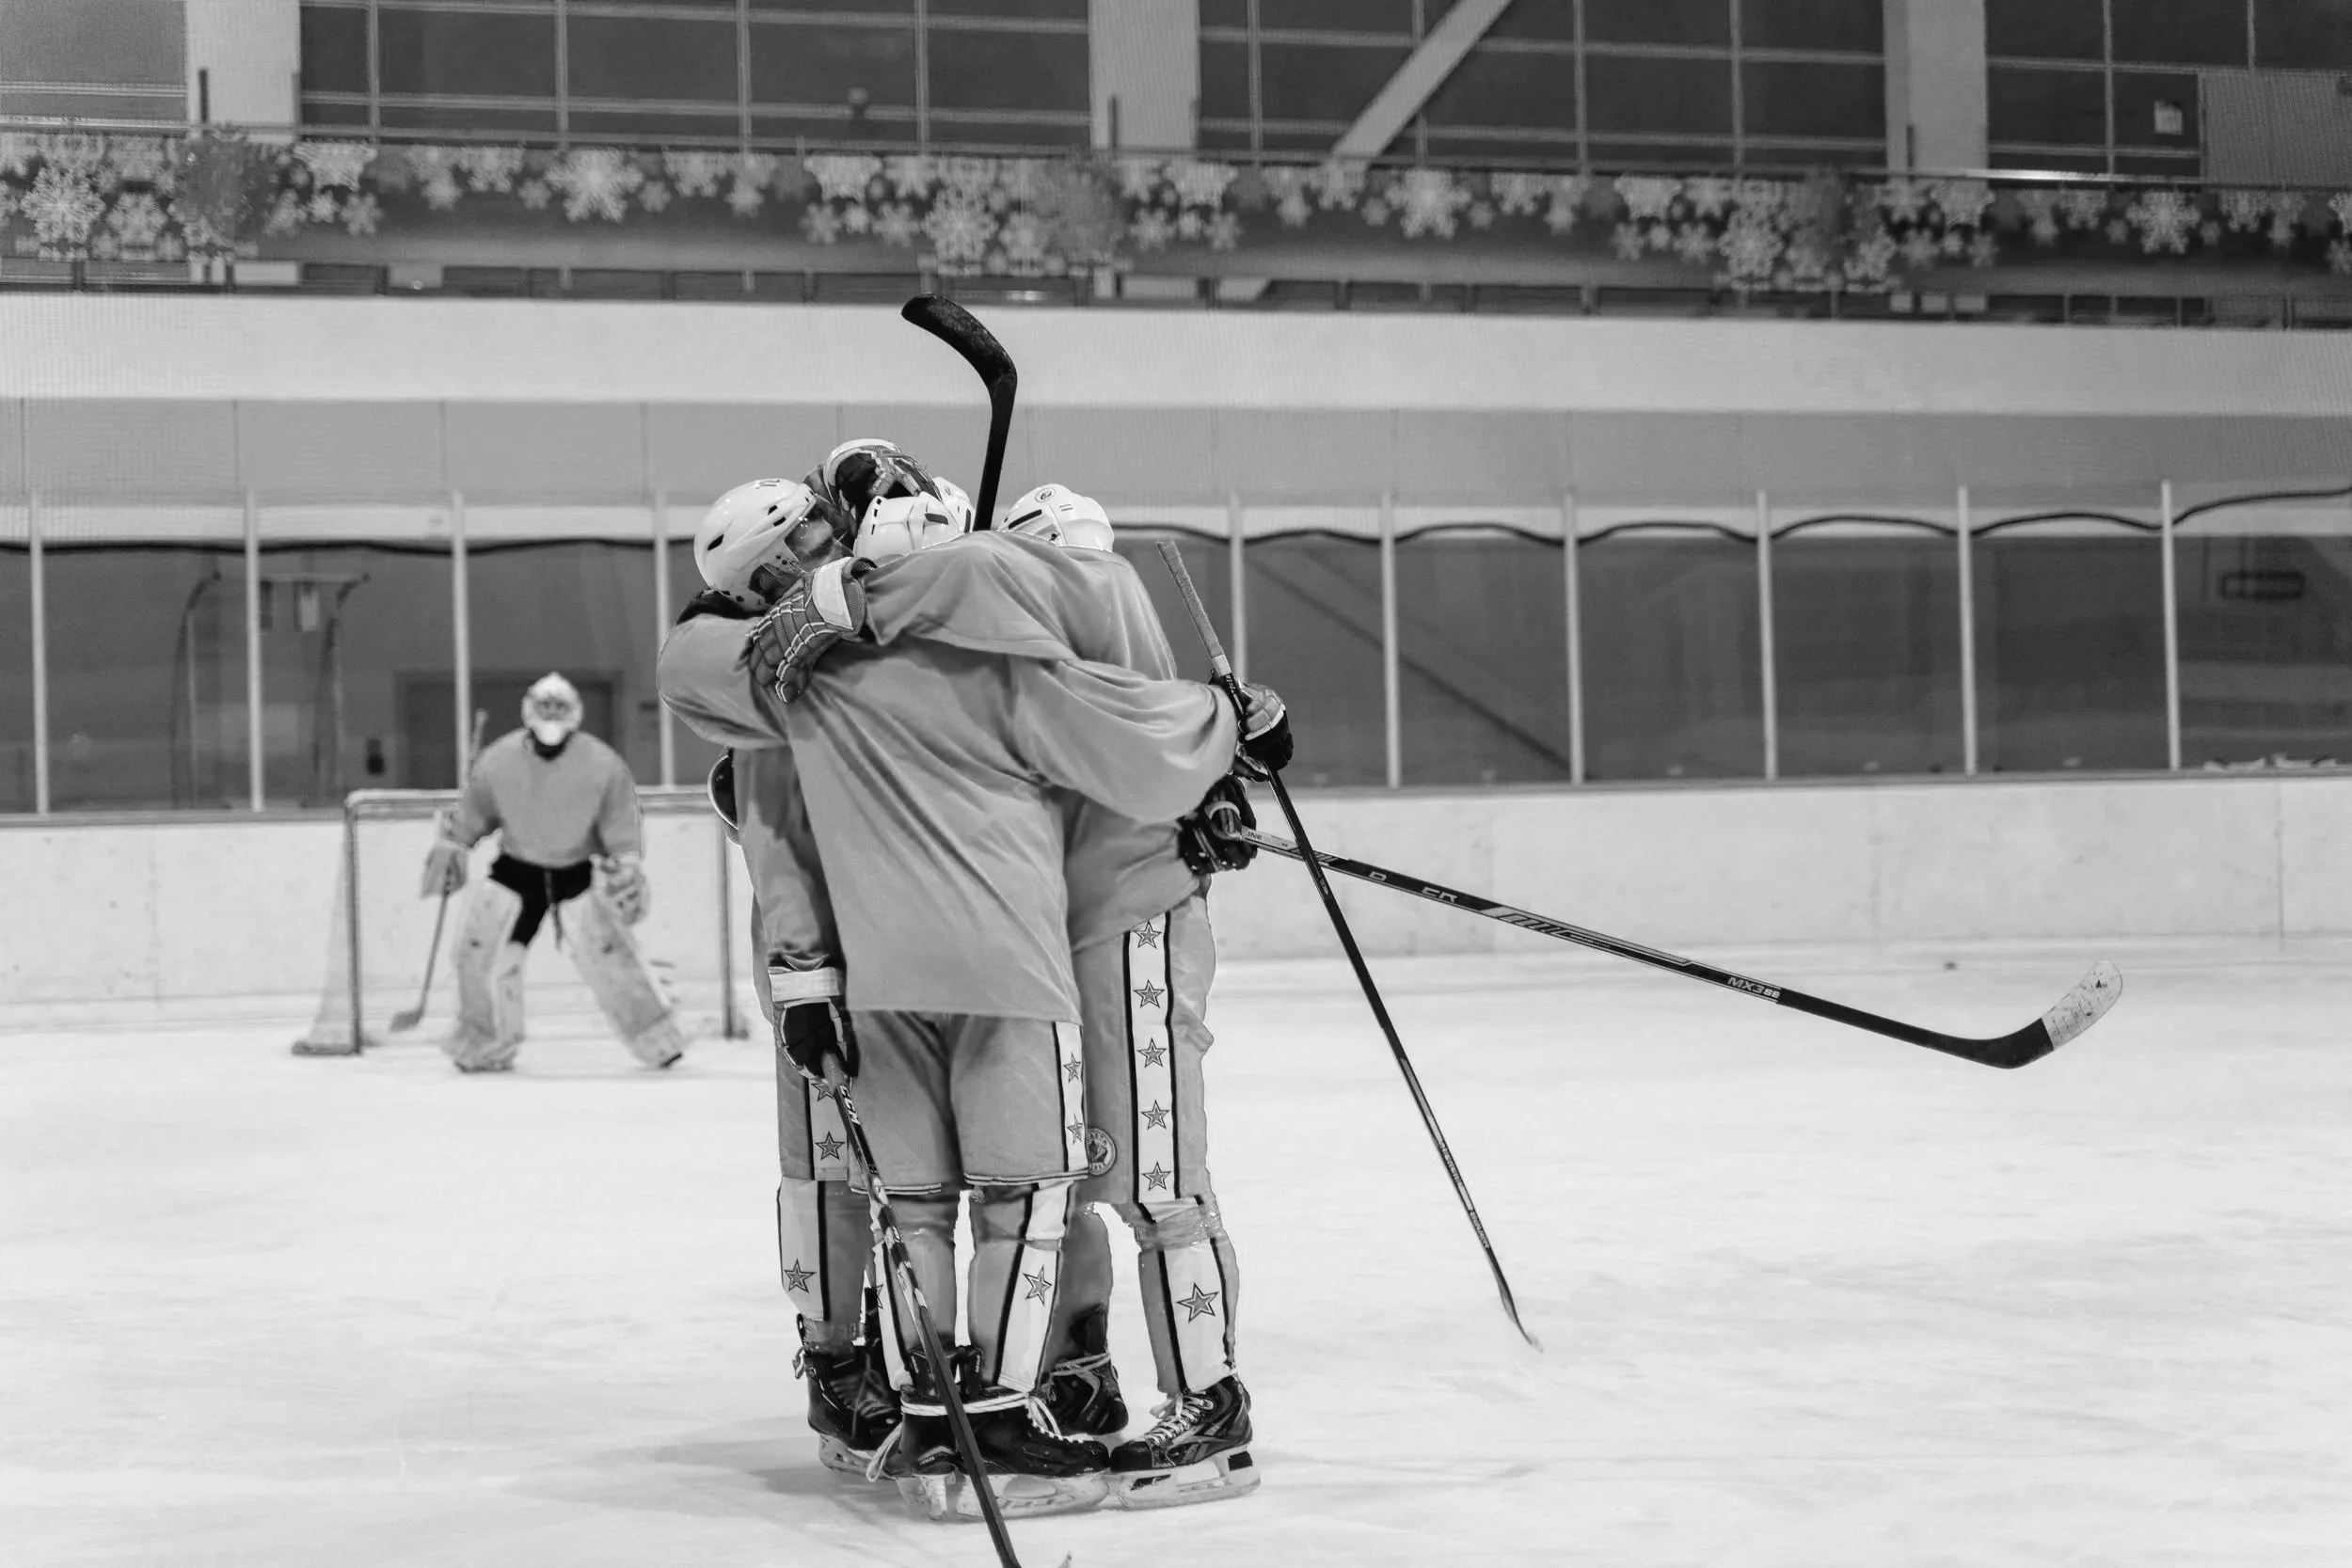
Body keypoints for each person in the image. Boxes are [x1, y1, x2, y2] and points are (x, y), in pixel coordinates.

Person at [660, 449, 1287, 1524]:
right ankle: (944, 1391)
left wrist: (1209, 777)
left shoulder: (838, 651)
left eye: (826, 528)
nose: (820, 543)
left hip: (1061, 928)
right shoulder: (828, 660)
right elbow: (1128, 729)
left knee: (1083, 1177)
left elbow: (1064, 637)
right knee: (1007, 1179)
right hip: (955, 956)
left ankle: (1050, 1383)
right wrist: (1224, 734)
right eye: (800, 539)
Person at [419, 673, 685, 1073]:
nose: (551, 715)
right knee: (483, 955)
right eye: (545, 707)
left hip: (576, 873)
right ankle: (484, 1045)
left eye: (559, 707)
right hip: (516, 873)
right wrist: (454, 842)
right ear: (529, 710)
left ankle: (658, 1040)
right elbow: (475, 808)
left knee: (613, 959)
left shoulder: (602, 763)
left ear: (574, 712)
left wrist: (626, 860)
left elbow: (619, 817)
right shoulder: (499, 758)